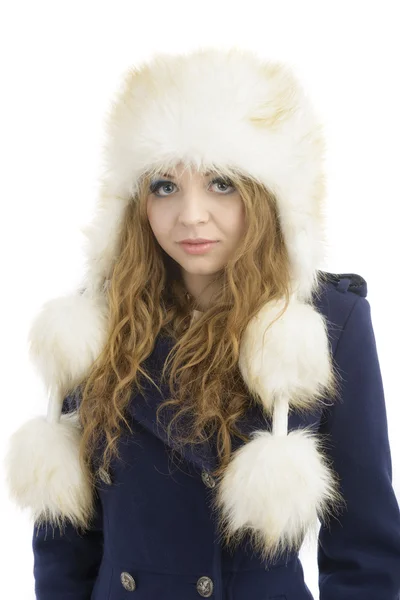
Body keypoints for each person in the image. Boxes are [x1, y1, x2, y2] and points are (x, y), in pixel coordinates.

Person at [4, 46, 400, 600]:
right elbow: (65, 543)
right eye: (164, 186)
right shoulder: (93, 325)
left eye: (222, 183)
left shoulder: (326, 322)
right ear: (136, 201)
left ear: (268, 198)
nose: (190, 214)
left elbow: (364, 551)